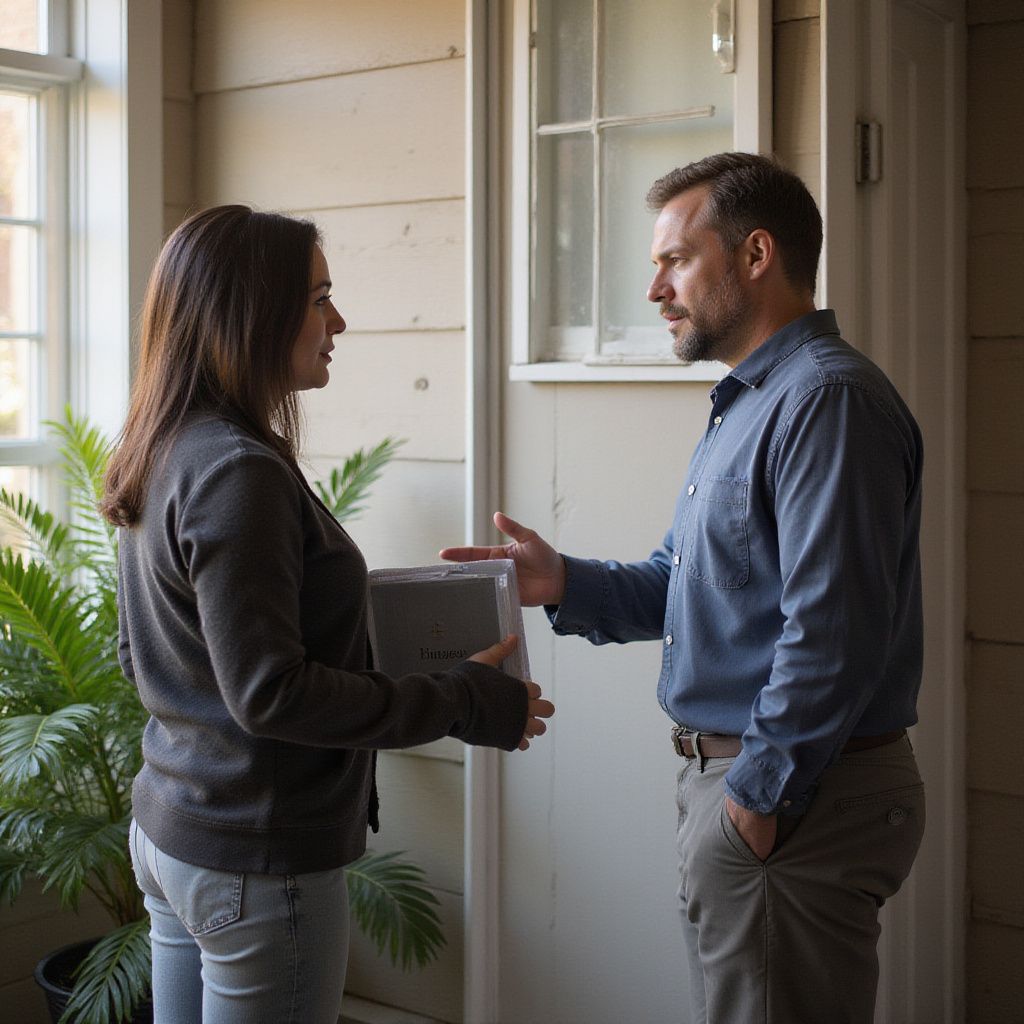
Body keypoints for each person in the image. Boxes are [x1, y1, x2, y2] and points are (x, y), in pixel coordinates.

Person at [441, 152, 925, 1024]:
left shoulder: (827, 402)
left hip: (795, 796)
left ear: (755, 255)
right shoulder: (749, 403)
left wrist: (754, 803)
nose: (655, 289)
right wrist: (561, 581)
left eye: (675, 260)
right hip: (760, 791)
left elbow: (835, 633)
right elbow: (687, 583)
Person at [101, 204, 554, 1024]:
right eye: (318, 299)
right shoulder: (237, 470)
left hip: (174, 835)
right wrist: (462, 698)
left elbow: (145, 655)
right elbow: (272, 694)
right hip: (254, 861)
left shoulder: (163, 448)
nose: (338, 321)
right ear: (253, 312)